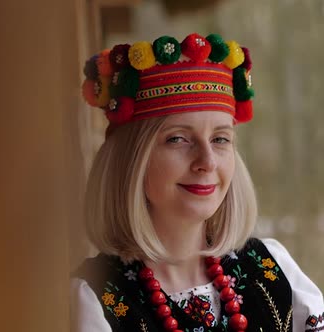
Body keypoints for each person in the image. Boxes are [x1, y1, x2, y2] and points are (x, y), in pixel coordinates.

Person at [72, 33, 324, 332]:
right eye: (177, 139)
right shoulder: (95, 298)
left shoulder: (271, 269)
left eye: (220, 139)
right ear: (130, 160)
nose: (207, 161)